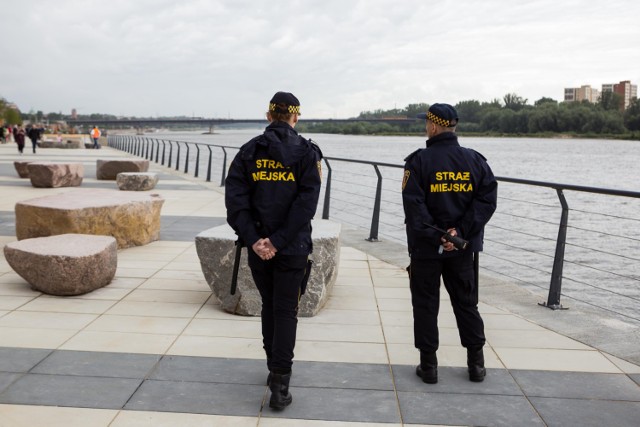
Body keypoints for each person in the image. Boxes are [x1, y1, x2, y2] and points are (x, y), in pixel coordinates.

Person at [225, 91, 322, 410]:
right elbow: (306, 205)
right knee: (285, 310)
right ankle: (280, 382)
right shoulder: (308, 154)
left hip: (259, 248)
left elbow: (236, 202)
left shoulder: (248, 151)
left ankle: (273, 368)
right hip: (291, 248)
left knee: (270, 306)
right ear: (295, 117)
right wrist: (279, 241)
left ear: (269, 116)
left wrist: (256, 239)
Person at [401, 103, 497, 384]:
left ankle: (429, 366)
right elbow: (487, 200)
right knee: (466, 303)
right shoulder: (475, 161)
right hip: (462, 250)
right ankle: (476, 365)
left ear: (432, 126)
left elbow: (414, 207)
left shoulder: (418, 161)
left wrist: (438, 235)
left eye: (425, 125)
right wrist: (460, 232)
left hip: (425, 249)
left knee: (426, 304)